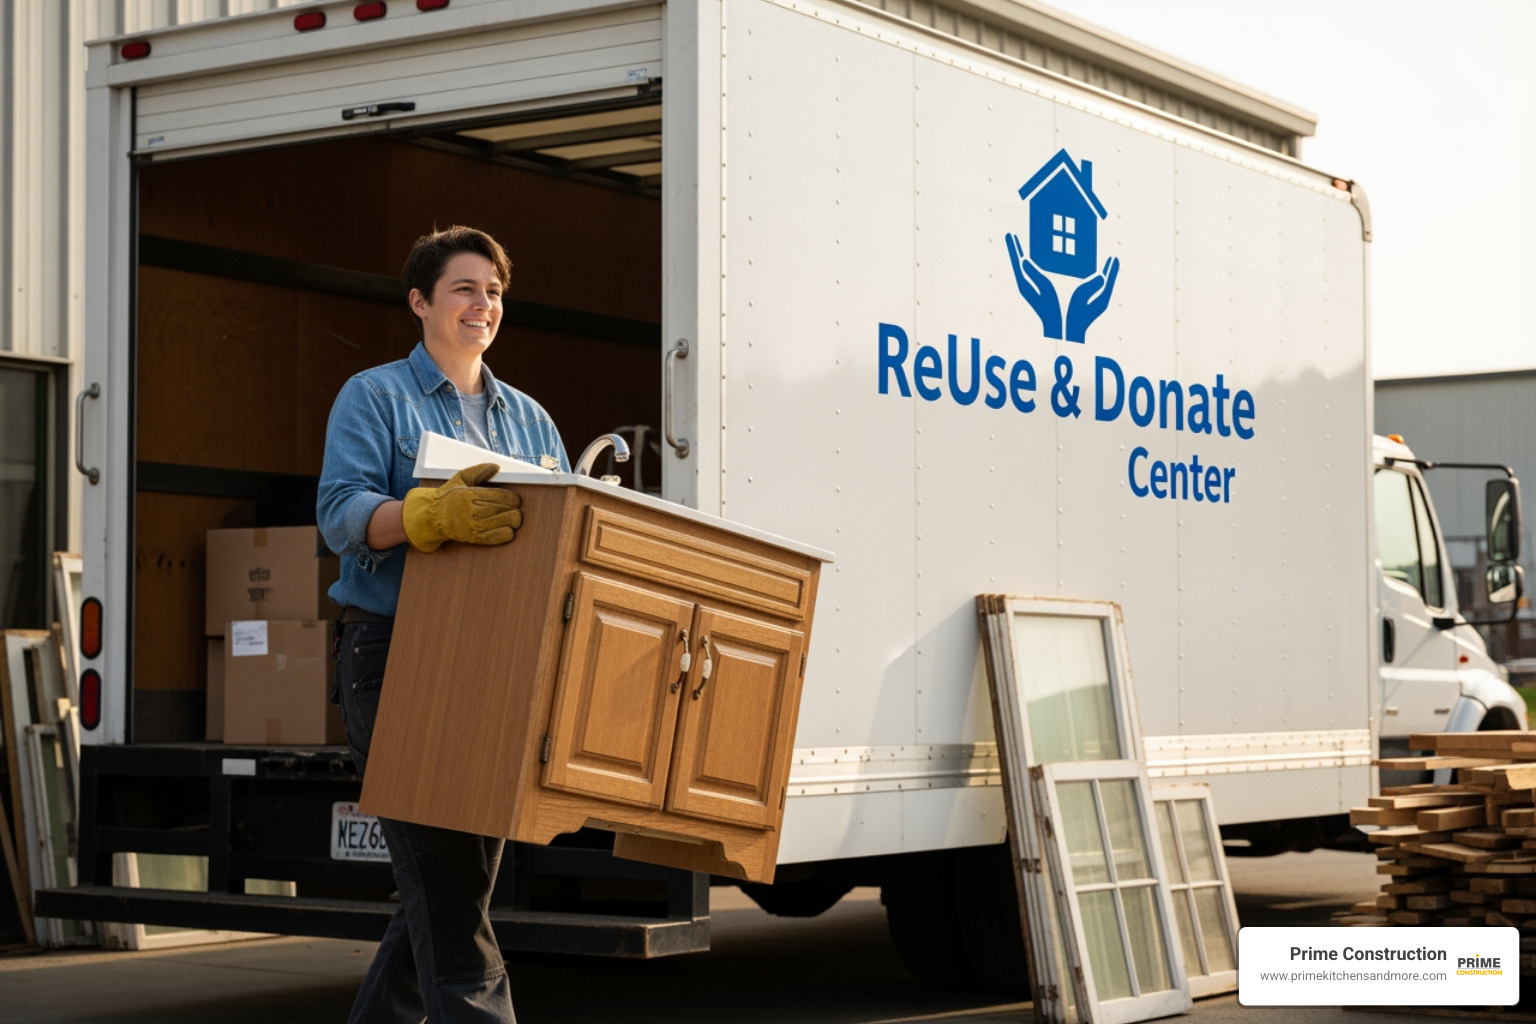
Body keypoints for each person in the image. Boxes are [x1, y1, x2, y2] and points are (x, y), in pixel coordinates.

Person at [317, 225, 569, 1024]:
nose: (482, 304)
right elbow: (337, 514)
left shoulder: (529, 420)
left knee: (446, 885)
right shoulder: (374, 395)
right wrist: (424, 514)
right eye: (464, 289)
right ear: (421, 301)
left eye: (493, 291)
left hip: (497, 662)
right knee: (453, 896)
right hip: (397, 655)